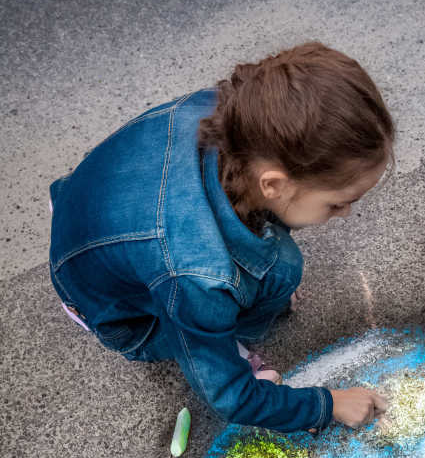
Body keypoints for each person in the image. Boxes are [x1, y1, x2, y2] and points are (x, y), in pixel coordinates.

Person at [49, 42, 392, 433]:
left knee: (271, 271)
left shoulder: (238, 114)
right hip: (121, 310)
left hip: (96, 202)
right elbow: (230, 396)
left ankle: (104, 252)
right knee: (276, 273)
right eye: (338, 204)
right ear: (274, 185)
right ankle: (92, 305)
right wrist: (326, 404)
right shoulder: (197, 272)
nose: (346, 214)